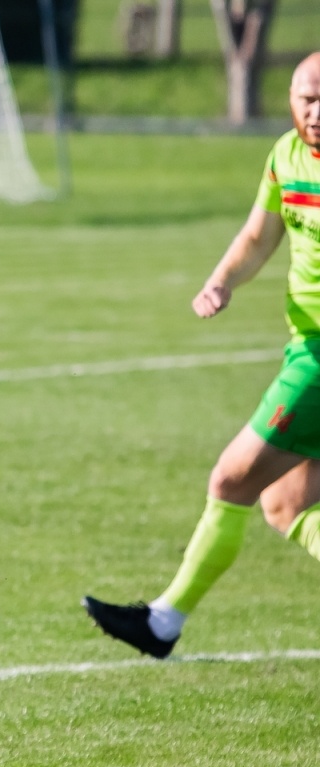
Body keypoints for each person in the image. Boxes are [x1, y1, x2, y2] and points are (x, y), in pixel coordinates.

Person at [84, 54, 320, 658]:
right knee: (285, 502)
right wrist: (221, 282)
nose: (312, 112)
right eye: (303, 99)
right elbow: (256, 238)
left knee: (231, 476)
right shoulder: (285, 157)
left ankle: (163, 622)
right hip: (304, 346)